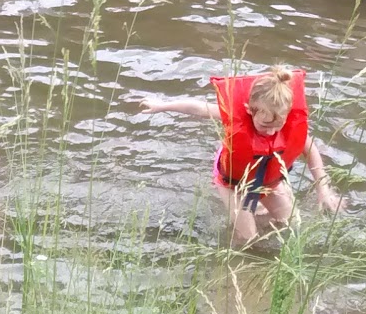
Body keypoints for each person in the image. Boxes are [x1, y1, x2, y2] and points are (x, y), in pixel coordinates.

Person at [140, 66, 344, 245]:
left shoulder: (287, 122)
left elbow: (311, 151)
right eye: (265, 125)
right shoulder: (235, 115)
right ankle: (236, 253)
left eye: (277, 126)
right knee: (248, 240)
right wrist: (161, 106)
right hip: (234, 183)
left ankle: (259, 216)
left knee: (292, 225)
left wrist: (323, 190)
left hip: (269, 179)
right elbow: (198, 108)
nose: (271, 132)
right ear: (249, 110)